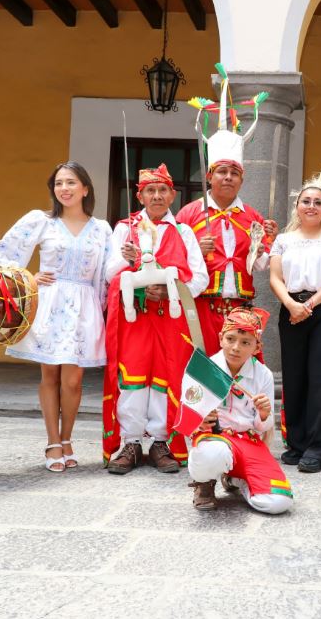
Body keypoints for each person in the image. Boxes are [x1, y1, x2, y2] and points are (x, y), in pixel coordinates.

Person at [0, 162, 112, 472]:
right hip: (50, 302)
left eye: (71, 182)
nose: (64, 188)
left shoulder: (102, 229)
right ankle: (53, 441)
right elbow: (1, 253)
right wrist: (28, 277)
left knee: (74, 379)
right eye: (58, 183)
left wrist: (104, 312)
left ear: (85, 188)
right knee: (50, 376)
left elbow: (106, 274)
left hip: (85, 307)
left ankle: (68, 437)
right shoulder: (41, 221)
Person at [102, 164, 209, 474]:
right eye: (150, 190)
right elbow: (108, 274)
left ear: (173, 195)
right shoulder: (125, 229)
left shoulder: (184, 232)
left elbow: (200, 278)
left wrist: (170, 290)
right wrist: (126, 260)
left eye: (163, 190)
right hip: (134, 317)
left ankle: (162, 442)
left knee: (166, 375)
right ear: (140, 196)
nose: (157, 196)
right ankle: (132, 442)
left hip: (170, 318)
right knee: (133, 376)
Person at [178, 82, 277, 354]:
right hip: (201, 307)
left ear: (242, 179)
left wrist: (267, 243)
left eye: (235, 173)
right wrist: (195, 251)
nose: (228, 178)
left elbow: (261, 265)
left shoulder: (252, 217)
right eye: (222, 172)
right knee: (202, 368)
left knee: (241, 369)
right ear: (210, 176)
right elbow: (173, 260)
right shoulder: (189, 213)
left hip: (241, 311)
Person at [270, 186, 321, 473]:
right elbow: (275, 277)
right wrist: (292, 305)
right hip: (291, 308)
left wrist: (309, 305)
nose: (312, 206)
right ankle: (297, 442)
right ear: (297, 206)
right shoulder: (283, 240)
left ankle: (320, 446)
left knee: (320, 377)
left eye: (318, 202)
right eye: (306, 201)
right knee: (294, 376)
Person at [186, 307, 292, 514]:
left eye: (245, 342)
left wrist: (264, 414)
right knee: (212, 453)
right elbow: (187, 412)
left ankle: (236, 480)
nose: (236, 348)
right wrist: (201, 417)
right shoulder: (204, 368)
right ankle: (204, 483)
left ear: (257, 346)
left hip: (249, 441)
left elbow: (264, 426)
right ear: (220, 339)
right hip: (215, 438)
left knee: (279, 502)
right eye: (230, 339)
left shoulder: (263, 375)